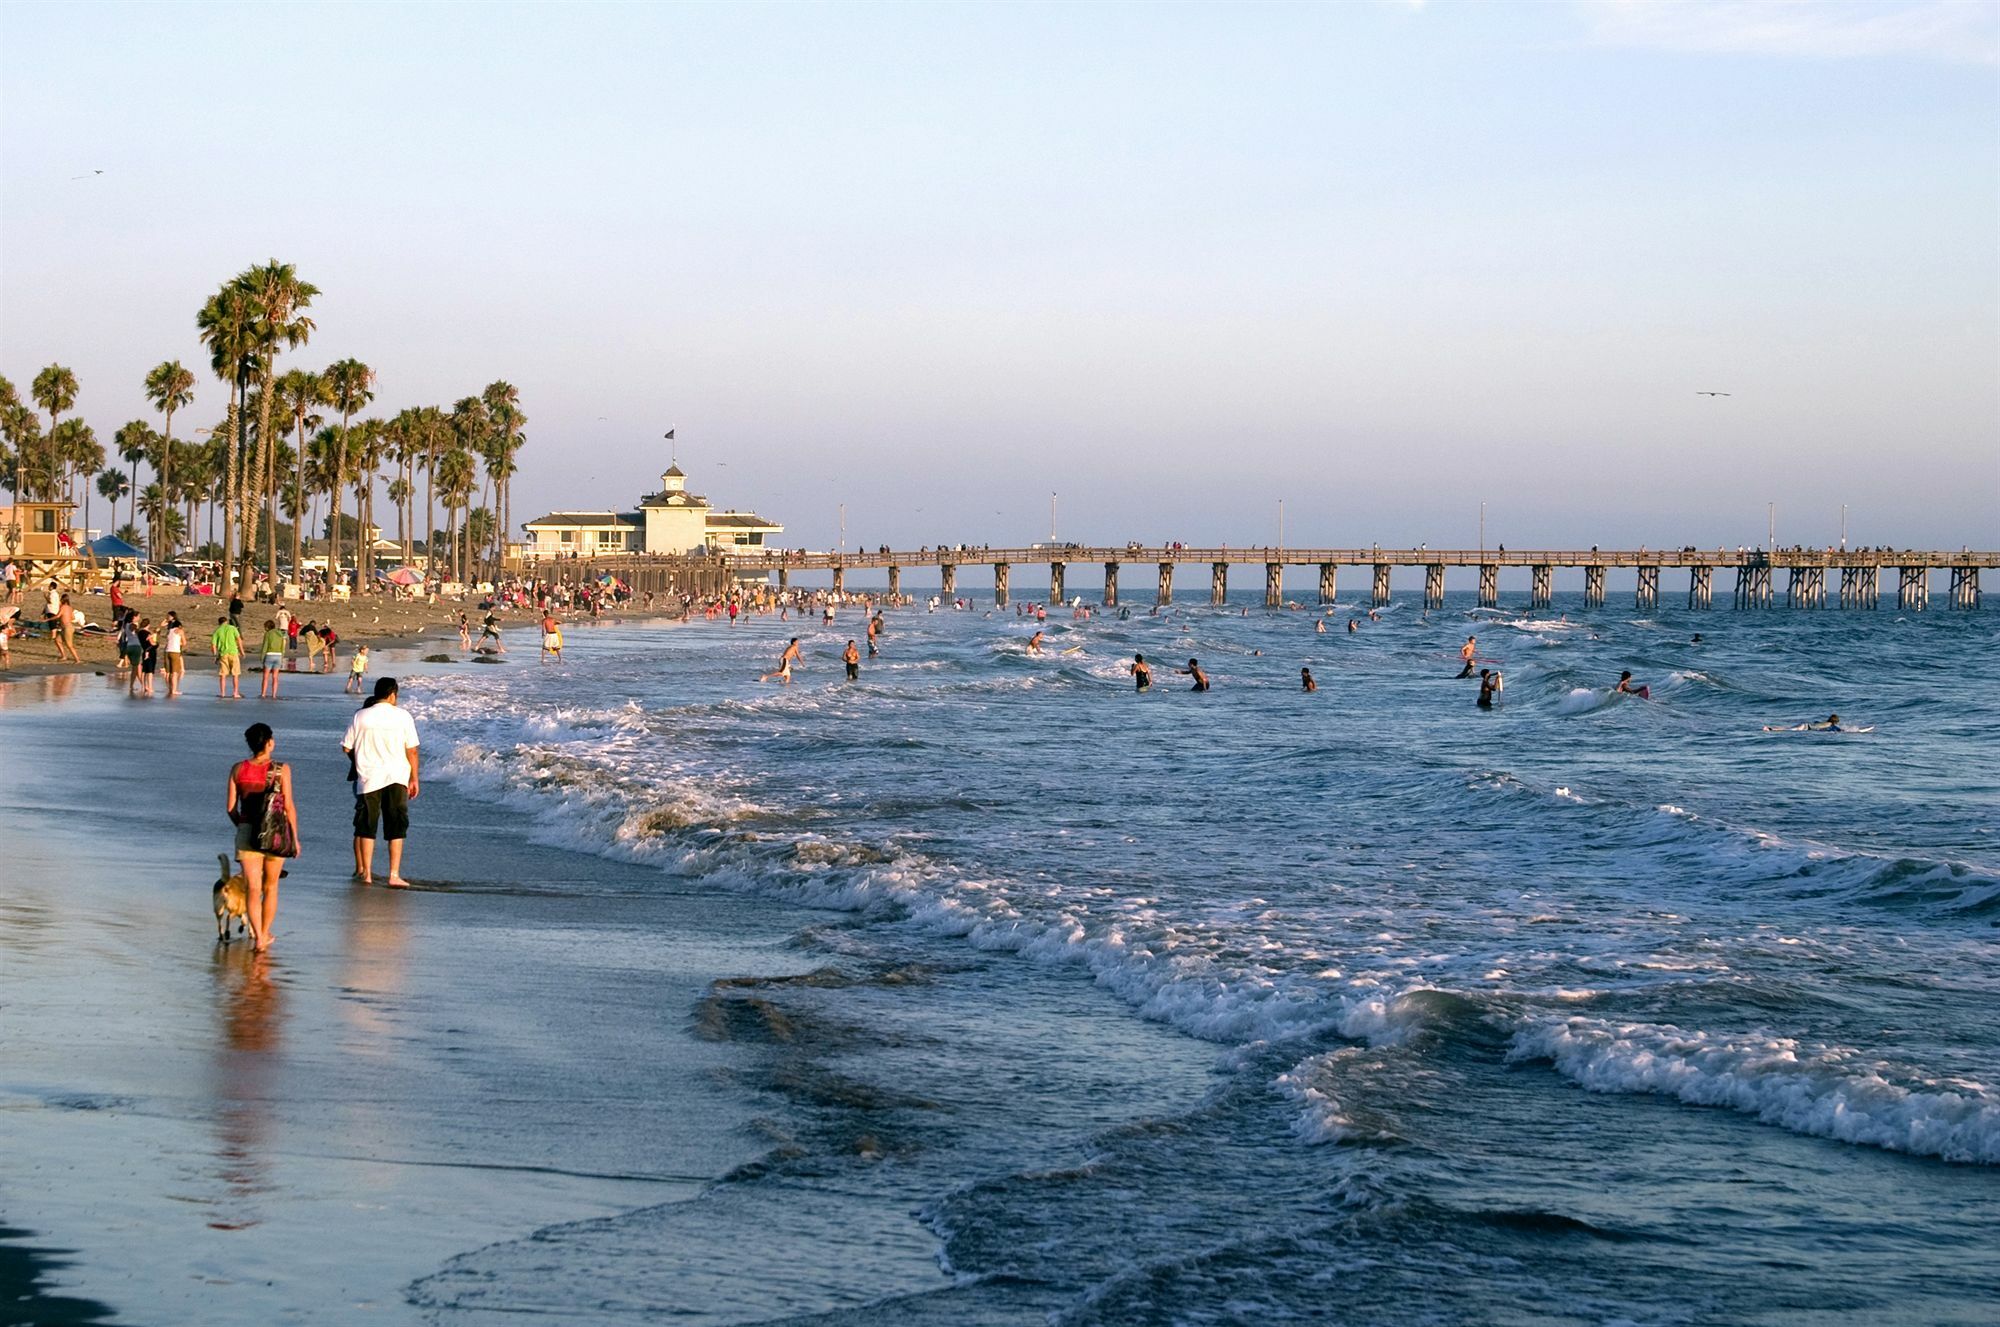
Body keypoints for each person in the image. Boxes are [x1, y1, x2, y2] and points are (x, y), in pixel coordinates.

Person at [226, 721, 299, 951]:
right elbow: (289, 806)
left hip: (247, 832)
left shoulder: (238, 769)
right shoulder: (281, 769)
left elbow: (231, 808)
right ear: (269, 743)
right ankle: (265, 933)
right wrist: (294, 838)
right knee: (271, 887)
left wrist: (244, 825)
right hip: (276, 833)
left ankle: (257, 936)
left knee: (253, 888)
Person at [342, 677, 420, 888]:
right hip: (397, 776)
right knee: (396, 827)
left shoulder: (361, 716)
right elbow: (411, 750)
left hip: (368, 778)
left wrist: (360, 758)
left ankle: (366, 873)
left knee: (367, 826)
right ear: (393, 694)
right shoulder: (403, 716)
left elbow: (346, 746)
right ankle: (394, 874)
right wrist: (414, 778)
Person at [211, 614, 243, 698]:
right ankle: (235, 693)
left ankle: (222, 693)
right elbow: (239, 640)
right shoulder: (232, 628)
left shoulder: (217, 631)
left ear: (219, 623)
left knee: (223, 675)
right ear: (226, 622)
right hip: (233, 652)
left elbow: (213, 645)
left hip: (223, 654)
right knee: (235, 674)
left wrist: (214, 656)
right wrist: (242, 651)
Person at [258, 619, 286, 698]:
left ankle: (263, 694)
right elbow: (282, 647)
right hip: (279, 655)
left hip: (269, 655)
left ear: (267, 627)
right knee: (275, 677)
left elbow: (265, 646)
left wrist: (262, 658)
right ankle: (274, 695)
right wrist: (282, 657)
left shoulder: (268, 634)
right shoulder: (280, 633)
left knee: (266, 677)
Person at [162, 612, 186, 697]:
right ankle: (174, 690)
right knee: (175, 673)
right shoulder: (180, 631)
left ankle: (170, 688)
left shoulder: (169, 631)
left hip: (167, 651)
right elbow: (184, 643)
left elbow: (162, 625)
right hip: (175, 651)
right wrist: (179, 643)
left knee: (168, 672)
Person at [53, 593, 81, 663]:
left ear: (62, 599)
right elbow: (73, 618)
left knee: (69, 645)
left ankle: (77, 659)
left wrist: (47, 619)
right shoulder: (70, 607)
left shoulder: (63, 607)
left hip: (67, 628)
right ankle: (64, 656)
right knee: (57, 640)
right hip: (66, 627)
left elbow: (57, 616)